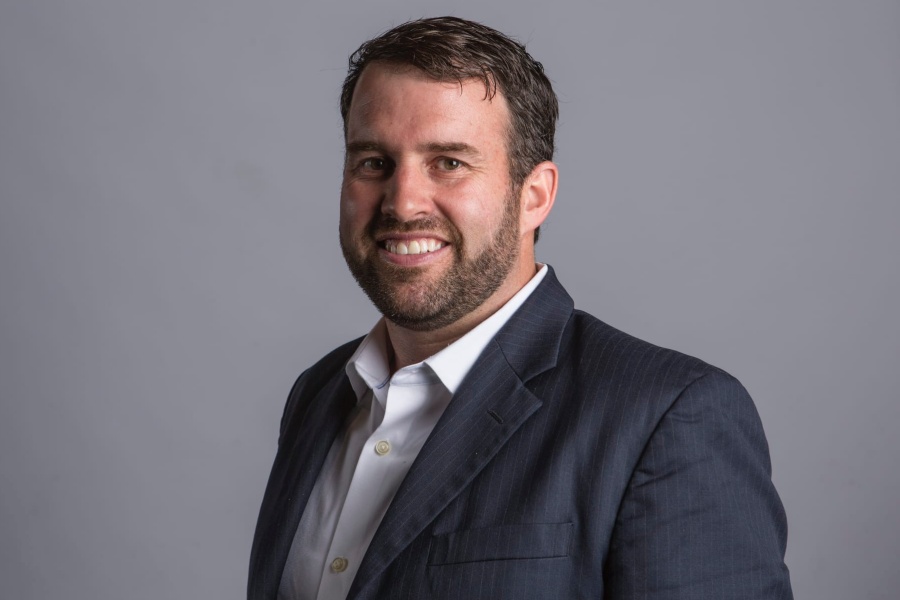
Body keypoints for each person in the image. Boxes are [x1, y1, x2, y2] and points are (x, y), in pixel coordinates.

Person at [249, 16, 793, 600]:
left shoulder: (666, 415)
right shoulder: (318, 395)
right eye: (373, 163)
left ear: (534, 196)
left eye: (449, 163)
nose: (402, 204)